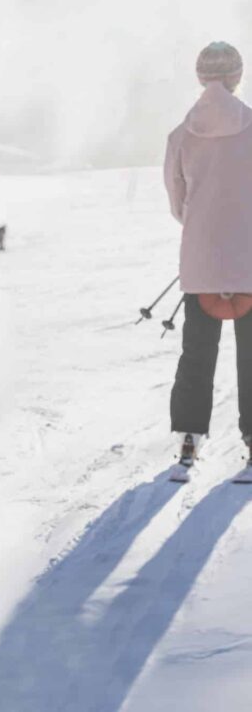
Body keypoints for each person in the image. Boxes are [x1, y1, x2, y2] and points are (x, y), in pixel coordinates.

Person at [164, 41, 252, 472]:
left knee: (197, 352)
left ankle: (188, 439)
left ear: (201, 78)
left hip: (201, 262)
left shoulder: (180, 136)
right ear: (236, 77)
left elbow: (177, 203)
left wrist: (204, 228)